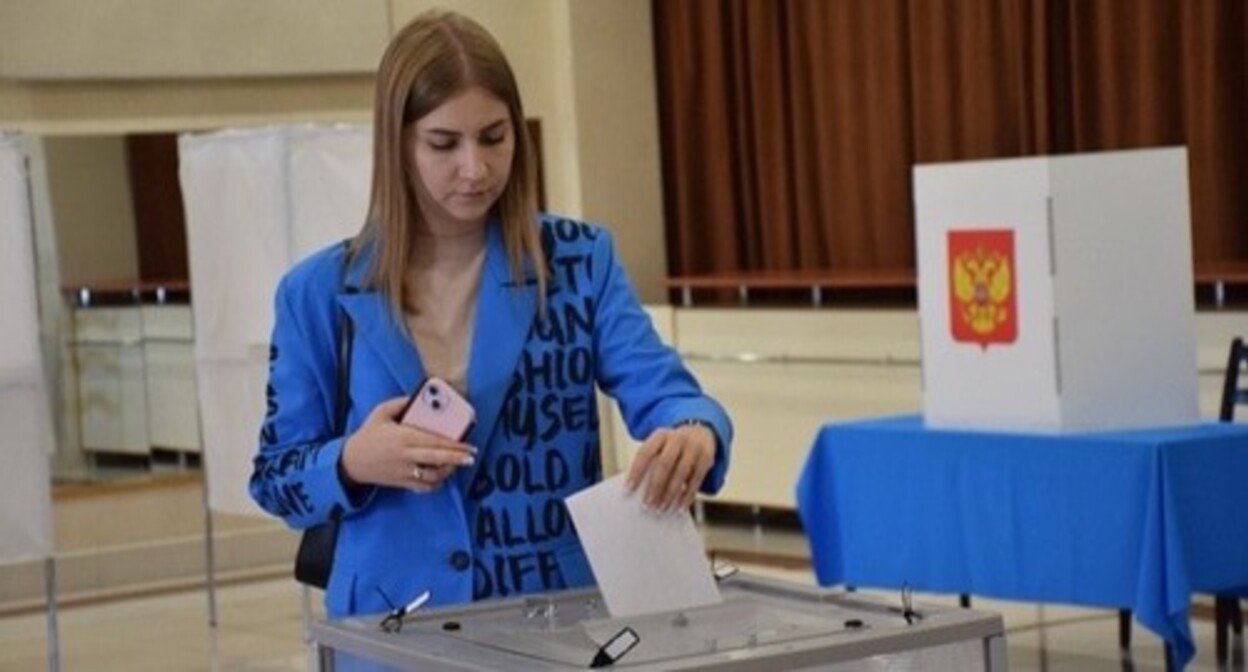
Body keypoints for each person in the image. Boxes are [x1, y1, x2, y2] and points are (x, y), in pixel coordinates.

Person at [249, 9, 732, 620]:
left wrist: (695, 432)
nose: (475, 168)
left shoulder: (579, 261)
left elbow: (669, 394)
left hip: (551, 620)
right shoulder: (316, 292)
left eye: (494, 137)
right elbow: (275, 478)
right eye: (444, 143)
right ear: (396, 142)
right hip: (392, 628)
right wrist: (353, 461)